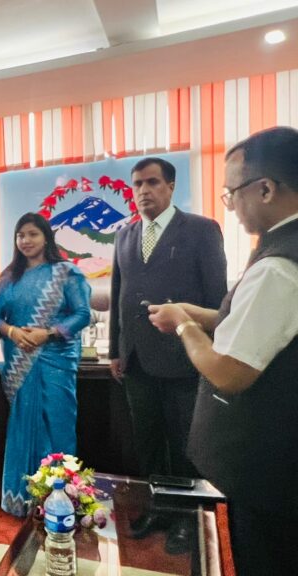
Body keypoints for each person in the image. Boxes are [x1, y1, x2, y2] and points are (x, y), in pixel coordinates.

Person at [148, 126, 298, 576]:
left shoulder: (278, 265)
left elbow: (229, 371)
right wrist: (205, 314)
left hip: (267, 465)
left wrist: (184, 324)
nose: (230, 205)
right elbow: (264, 325)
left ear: (266, 189)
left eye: (232, 193)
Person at [108, 157, 227, 552]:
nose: (144, 191)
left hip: (183, 358)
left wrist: (211, 349)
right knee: (147, 442)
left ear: (171, 186)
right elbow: (120, 297)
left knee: (183, 444)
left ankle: (186, 519)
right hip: (136, 360)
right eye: (137, 184)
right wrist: (115, 351)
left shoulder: (201, 230)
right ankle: (158, 509)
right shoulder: (124, 235)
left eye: (153, 182)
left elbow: (217, 300)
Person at [0, 212, 91, 517]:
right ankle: (22, 499)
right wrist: (12, 331)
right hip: (20, 362)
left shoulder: (67, 273)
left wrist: (48, 333)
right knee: (22, 428)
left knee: (58, 427)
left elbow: (82, 314)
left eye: (33, 234)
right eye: (20, 235)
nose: (26, 240)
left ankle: (61, 501)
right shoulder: (10, 276)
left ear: (46, 237)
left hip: (56, 361)